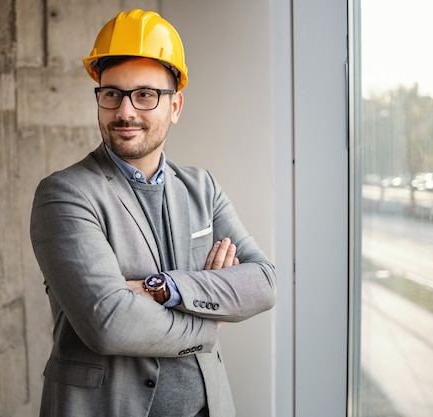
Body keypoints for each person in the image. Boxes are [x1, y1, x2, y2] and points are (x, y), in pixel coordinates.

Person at [30, 9, 277, 417]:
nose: (125, 111)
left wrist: (161, 288)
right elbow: (109, 324)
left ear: (175, 106)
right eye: (111, 94)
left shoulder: (203, 188)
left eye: (145, 95)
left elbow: (264, 282)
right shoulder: (65, 194)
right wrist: (207, 321)